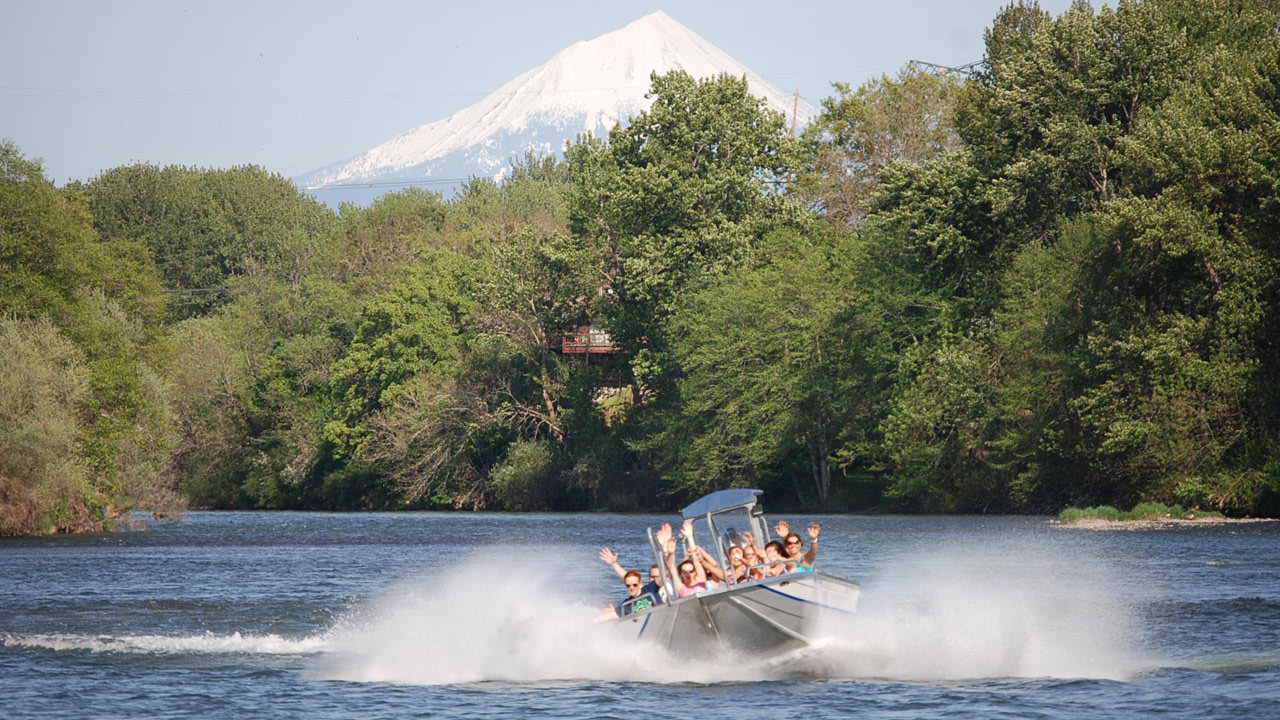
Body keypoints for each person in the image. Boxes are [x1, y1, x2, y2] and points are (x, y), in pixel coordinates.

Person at [599, 546, 664, 602]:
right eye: (652, 577)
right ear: (649, 577)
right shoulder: (645, 590)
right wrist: (614, 564)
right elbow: (627, 577)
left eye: (657, 577)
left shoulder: (670, 589)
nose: (655, 579)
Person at [593, 569, 659, 621]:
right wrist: (587, 624)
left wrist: (669, 555)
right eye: (628, 586)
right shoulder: (627, 605)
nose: (631, 588)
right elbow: (609, 616)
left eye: (635, 585)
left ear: (640, 583)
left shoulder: (650, 588)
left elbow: (665, 575)